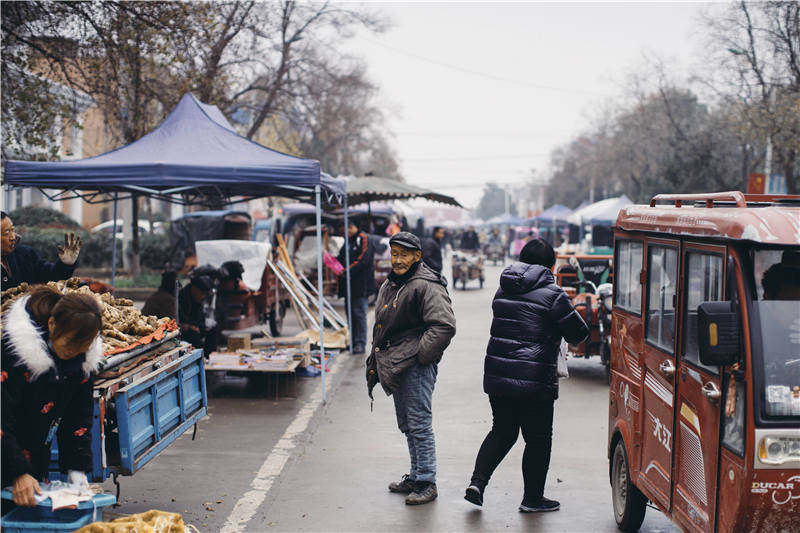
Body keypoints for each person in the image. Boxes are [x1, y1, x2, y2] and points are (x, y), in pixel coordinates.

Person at [464, 238, 588, 512]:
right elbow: (579, 334)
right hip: (534, 381)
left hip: (498, 375)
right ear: (550, 265)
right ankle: (532, 498)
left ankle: (477, 483)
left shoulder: (504, 288)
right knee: (538, 439)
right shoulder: (553, 294)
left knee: (503, 431)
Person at [368, 232, 456, 505]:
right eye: (394, 254)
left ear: (417, 256)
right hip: (397, 363)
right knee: (408, 424)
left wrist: (420, 356)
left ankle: (427, 481)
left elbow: (444, 326)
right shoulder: (393, 282)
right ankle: (417, 475)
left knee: (419, 424)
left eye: (404, 254)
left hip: (415, 364)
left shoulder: (426, 284)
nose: (398, 260)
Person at [1, 286, 104, 506]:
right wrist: (18, 471)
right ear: (52, 325)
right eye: (69, 343)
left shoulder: (81, 366)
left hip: (35, 458)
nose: (73, 352)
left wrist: (77, 471)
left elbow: (78, 420)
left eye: (82, 346)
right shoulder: (13, 357)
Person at [1, 211, 82, 289]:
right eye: (6, 232)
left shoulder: (24, 254)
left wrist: (65, 264)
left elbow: (51, 275)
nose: (13, 237)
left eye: (12, 230)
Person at [337, 220, 375, 355]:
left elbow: (364, 260)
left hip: (361, 285)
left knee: (359, 314)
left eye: (349, 228)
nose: (346, 231)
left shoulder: (364, 239)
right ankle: (352, 342)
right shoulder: (348, 241)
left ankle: (360, 343)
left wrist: (347, 270)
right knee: (350, 315)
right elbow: (341, 257)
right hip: (348, 285)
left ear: (355, 227)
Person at [178, 275, 218, 356]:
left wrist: (199, 326)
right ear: (194, 288)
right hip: (184, 329)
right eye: (202, 293)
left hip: (196, 325)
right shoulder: (182, 296)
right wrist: (190, 326)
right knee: (193, 335)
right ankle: (201, 357)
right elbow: (180, 319)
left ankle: (209, 356)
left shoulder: (199, 299)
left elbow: (201, 318)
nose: (203, 296)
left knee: (214, 329)